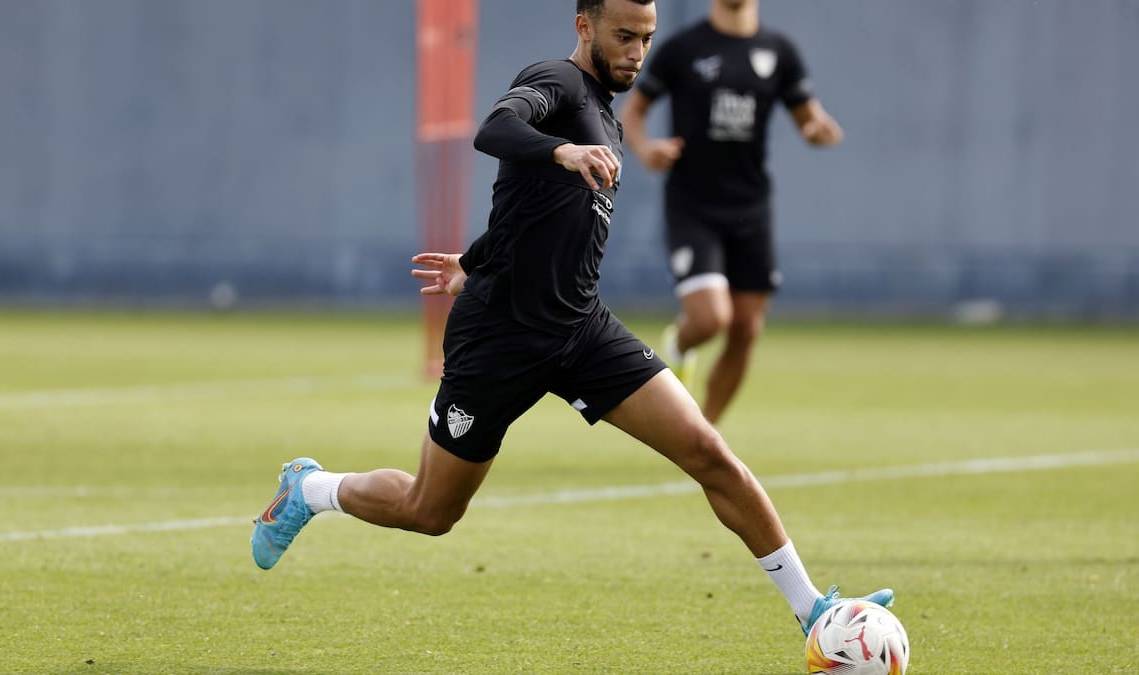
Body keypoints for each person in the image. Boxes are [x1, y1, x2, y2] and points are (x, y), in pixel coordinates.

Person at [250, 0, 890, 637]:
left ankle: (813, 610)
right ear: (584, 27)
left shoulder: (607, 119)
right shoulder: (555, 81)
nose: (637, 53)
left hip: (583, 330)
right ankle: (311, 490)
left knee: (709, 452)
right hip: (498, 337)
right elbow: (495, 129)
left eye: (646, 38)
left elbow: (535, 214)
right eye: (624, 36)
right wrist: (561, 152)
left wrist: (475, 259)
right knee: (431, 510)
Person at [619, 0, 844, 423]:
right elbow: (634, 112)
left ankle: (705, 431)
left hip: (751, 207)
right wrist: (646, 149)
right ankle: (679, 345)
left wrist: (818, 130)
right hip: (693, 204)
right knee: (710, 319)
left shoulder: (779, 51)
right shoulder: (684, 48)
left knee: (746, 328)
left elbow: (809, 117)